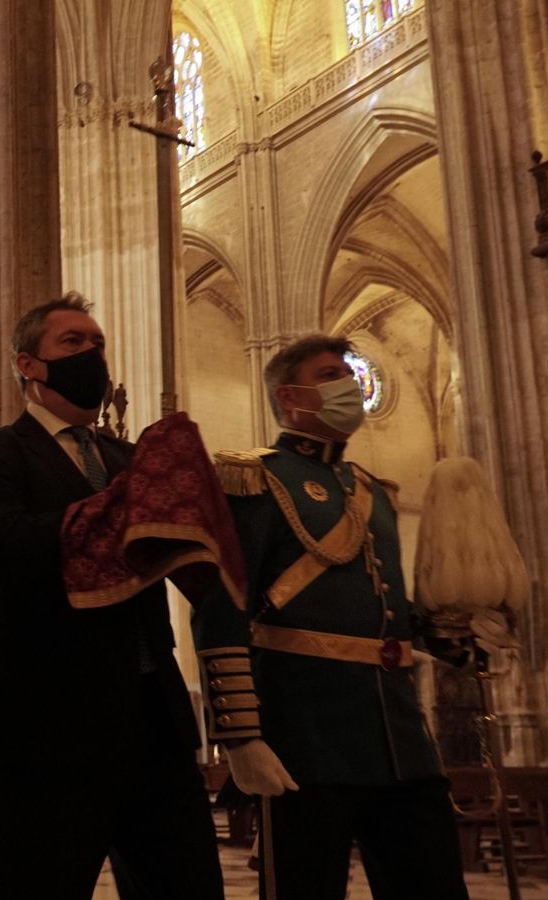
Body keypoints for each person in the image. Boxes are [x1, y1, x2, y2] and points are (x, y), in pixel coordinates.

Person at [0, 293, 228, 899]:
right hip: (43, 726)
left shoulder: (129, 459)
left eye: (97, 343)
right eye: (72, 343)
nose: (90, 354)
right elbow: (8, 552)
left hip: (153, 722)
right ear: (28, 364)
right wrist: (132, 502)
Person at [196, 334, 469, 900]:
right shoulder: (253, 478)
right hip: (305, 738)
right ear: (290, 396)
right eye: (330, 376)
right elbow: (222, 608)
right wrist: (242, 737)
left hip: (400, 740)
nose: (348, 386)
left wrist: (462, 639)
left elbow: (391, 612)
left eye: (348, 373)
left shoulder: (374, 492)